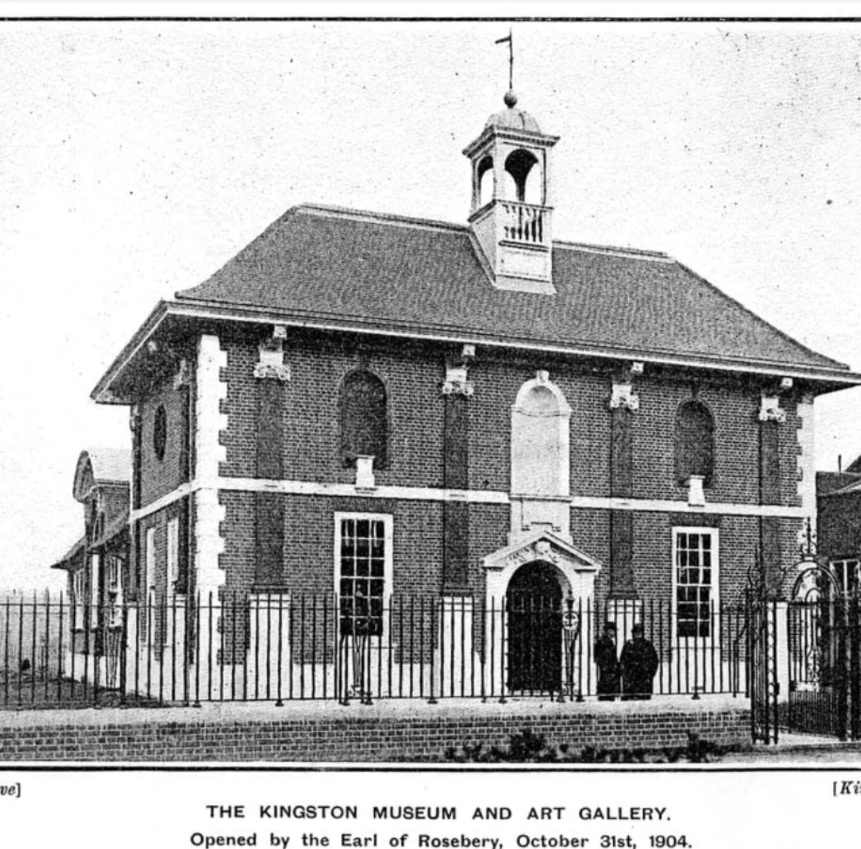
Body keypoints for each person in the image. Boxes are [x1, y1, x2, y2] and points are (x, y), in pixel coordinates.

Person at [620, 623, 659, 700]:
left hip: (643, 676)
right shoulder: (628, 644)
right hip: (630, 677)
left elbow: (654, 660)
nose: (637, 634)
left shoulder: (647, 645)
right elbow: (623, 660)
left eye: (639, 632)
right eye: (636, 632)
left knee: (643, 697)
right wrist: (624, 672)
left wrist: (650, 673)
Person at [594, 621, 621, 701]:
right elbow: (607, 657)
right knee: (607, 691)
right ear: (609, 631)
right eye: (613, 631)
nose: (614, 633)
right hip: (608, 671)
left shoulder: (605, 641)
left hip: (606, 670)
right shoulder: (606, 642)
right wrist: (614, 666)